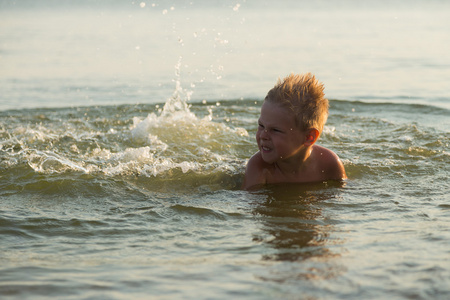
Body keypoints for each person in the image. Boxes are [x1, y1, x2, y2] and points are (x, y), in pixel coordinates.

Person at [242, 73, 347, 190]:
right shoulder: (259, 168)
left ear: (309, 137)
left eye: (275, 130)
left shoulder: (328, 164)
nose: (263, 135)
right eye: (261, 125)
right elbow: (248, 202)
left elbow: (344, 194)